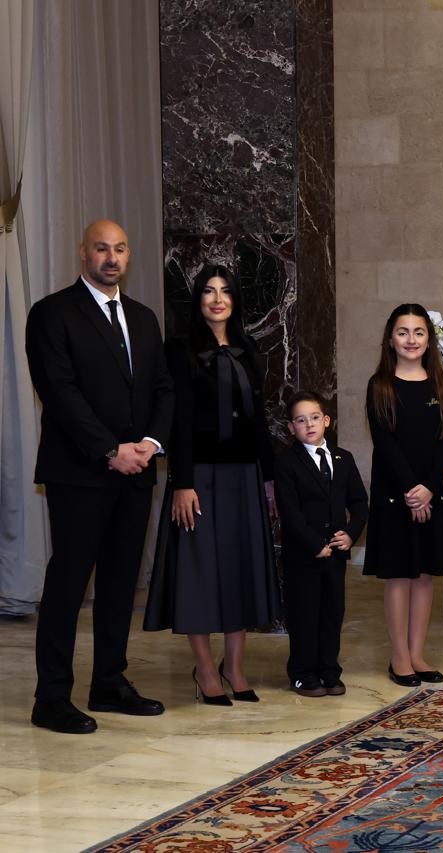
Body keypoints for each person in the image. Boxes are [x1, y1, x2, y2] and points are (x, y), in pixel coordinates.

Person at [25, 219, 174, 734]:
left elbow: (162, 388)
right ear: (83, 253)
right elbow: (59, 392)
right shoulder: (52, 313)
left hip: (136, 474)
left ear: (128, 257)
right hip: (80, 474)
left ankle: (109, 683)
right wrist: (110, 451)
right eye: (102, 249)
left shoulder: (144, 318)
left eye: (120, 249)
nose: (112, 258)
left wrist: (150, 445)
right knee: (68, 585)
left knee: (119, 583)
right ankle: (51, 698)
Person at [144, 265, 279, 706]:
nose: (217, 299)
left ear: (235, 299)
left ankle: (235, 667)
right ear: (197, 299)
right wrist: (181, 482)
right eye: (208, 291)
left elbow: (259, 419)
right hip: (198, 477)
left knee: (241, 568)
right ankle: (205, 670)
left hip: (244, 474)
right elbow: (178, 419)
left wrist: (269, 479)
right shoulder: (179, 349)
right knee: (199, 573)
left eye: (225, 291)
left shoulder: (249, 347)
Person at [364, 304, 443, 687]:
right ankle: (399, 656)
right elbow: (385, 443)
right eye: (403, 332)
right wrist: (411, 490)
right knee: (399, 576)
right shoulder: (380, 385)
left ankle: (417, 654)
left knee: (424, 576)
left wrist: (429, 488)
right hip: (395, 495)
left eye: (418, 332)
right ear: (390, 338)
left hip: (432, 494)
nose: (411, 340)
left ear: (429, 339)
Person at [275, 391, 369, 697]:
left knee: (332, 612)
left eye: (315, 418)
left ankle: (329, 670)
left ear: (326, 420)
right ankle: (302, 672)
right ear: (291, 428)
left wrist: (351, 534)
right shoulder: (287, 463)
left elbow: (359, 502)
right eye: (301, 420)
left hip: (335, 554)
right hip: (304, 554)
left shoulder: (343, 458)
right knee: (305, 613)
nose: (309, 425)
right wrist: (314, 543)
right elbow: (290, 511)